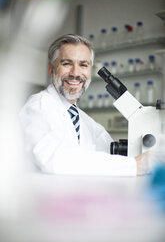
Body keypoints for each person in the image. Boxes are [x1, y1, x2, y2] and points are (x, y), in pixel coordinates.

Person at [19, 34, 151, 176]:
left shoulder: (86, 122)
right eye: (67, 63)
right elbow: (55, 159)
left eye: (83, 65)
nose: (75, 73)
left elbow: (110, 154)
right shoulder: (37, 107)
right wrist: (133, 166)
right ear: (51, 70)